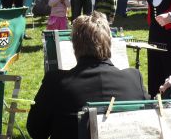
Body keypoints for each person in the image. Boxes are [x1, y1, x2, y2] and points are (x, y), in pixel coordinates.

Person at [27, 11, 149, 139]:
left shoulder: (55, 82)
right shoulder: (134, 78)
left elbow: (36, 130)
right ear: (109, 42)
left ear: (74, 46)